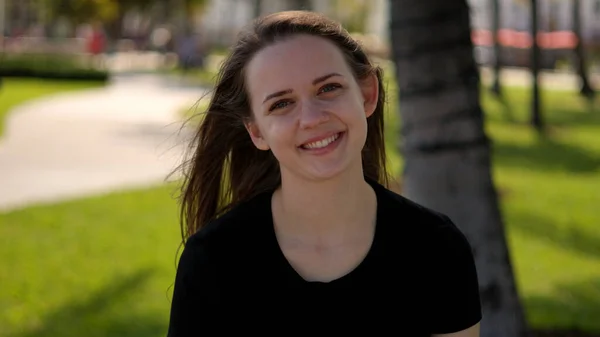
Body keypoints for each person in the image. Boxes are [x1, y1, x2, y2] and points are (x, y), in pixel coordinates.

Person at [167, 10, 482, 336]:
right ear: (257, 132)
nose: (312, 118)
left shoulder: (436, 249)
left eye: (328, 88)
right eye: (281, 104)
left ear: (367, 94)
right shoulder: (214, 261)